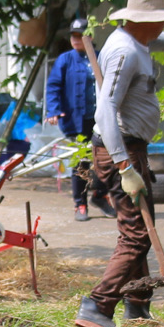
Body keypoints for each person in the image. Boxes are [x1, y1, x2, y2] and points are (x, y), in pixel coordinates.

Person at [73, 0, 164, 327]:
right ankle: (97, 305)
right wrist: (124, 166)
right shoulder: (126, 51)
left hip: (130, 148)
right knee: (137, 235)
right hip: (120, 148)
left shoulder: (137, 41)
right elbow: (105, 108)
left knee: (139, 227)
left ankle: (137, 306)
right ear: (147, 18)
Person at [44, 16, 112, 221]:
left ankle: (100, 196)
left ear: (89, 37)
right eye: (72, 35)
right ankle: (80, 204)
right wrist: (53, 110)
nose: (75, 39)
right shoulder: (65, 60)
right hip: (76, 119)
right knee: (81, 160)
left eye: (79, 35)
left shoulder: (101, 58)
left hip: (99, 119)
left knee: (104, 160)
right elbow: (53, 86)